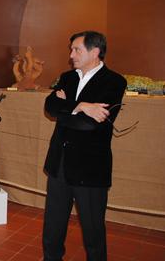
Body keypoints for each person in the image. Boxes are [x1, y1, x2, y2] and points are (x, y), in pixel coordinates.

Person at [42, 31, 127, 261]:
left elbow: (91, 125)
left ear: (95, 51)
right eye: (71, 49)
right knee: (53, 227)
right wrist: (81, 106)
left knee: (93, 232)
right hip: (59, 163)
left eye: (76, 49)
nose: (71, 55)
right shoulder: (67, 78)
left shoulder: (114, 81)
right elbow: (50, 106)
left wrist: (67, 108)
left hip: (90, 169)